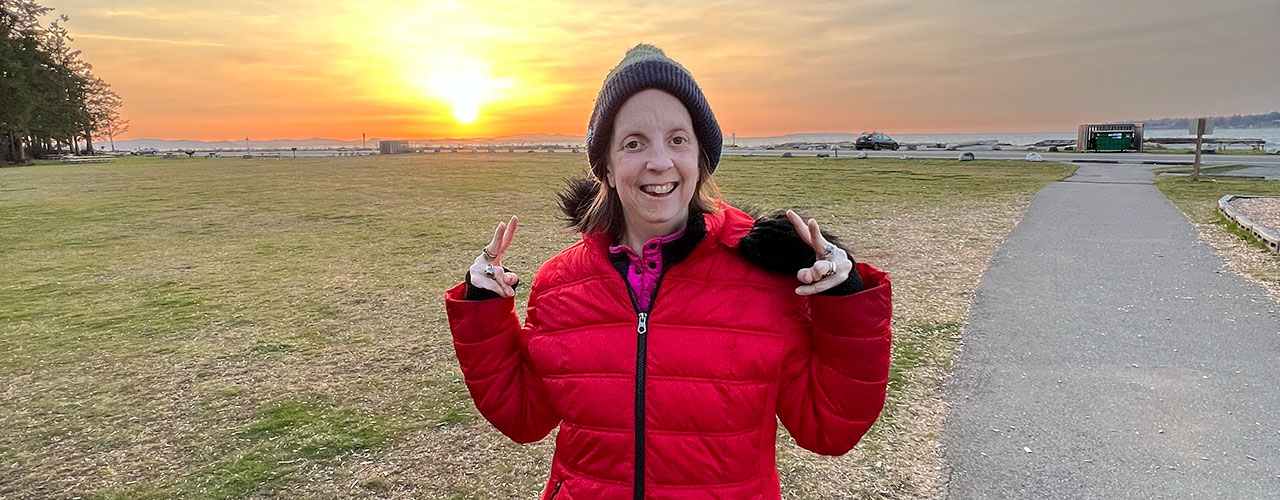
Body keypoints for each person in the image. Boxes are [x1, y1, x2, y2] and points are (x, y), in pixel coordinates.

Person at [445, 44, 892, 500]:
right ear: (609, 169)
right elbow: (525, 417)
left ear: (700, 160)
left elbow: (831, 428)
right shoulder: (559, 284)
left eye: (677, 139)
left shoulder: (762, 279)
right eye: (634, 142)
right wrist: (483, 311)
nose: (659, 161)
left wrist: (844, 299)